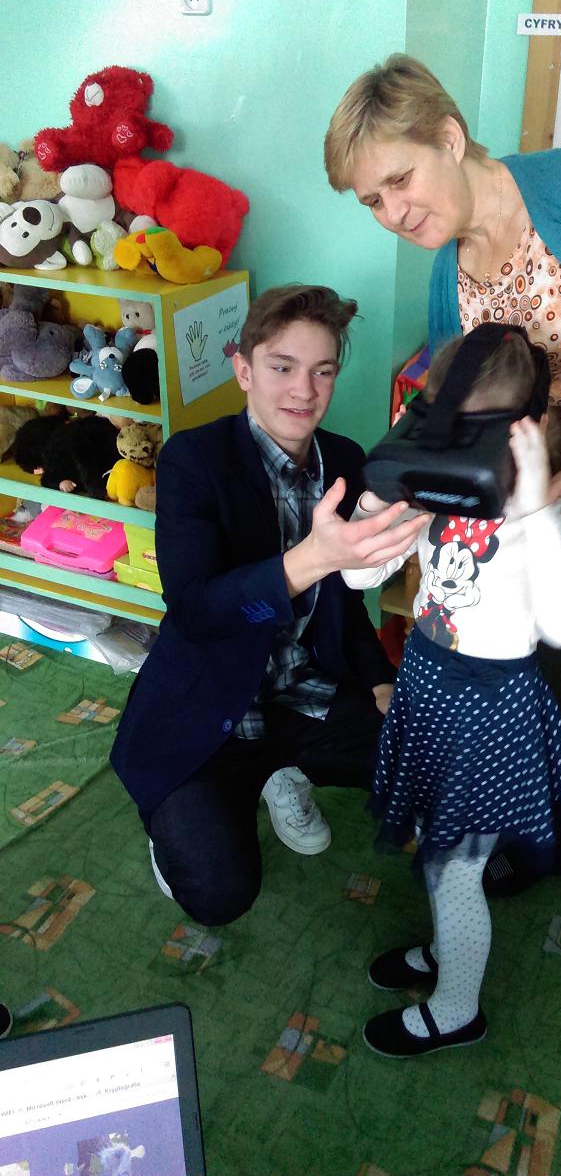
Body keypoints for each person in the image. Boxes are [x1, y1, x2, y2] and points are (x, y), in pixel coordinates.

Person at [325, 53, 561, 987]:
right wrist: (402, 500)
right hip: (547, 473)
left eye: (400, 180)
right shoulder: (448, 272)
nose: (392, 213)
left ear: (449, 137)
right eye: (370, 200)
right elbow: (459, 403)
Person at [110, 284, 427, 926]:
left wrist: (379, 679)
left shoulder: (345, 460)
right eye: (283, 367)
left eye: (322, 371)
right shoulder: (192, 459)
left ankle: (285, 770)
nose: (304, 391)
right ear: (244, 370)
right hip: (211, 707)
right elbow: (198, 611)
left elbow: (343, 602)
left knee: (426, 765)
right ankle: (185, 821)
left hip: (305, 691)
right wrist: (312, 557)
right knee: (217, 895)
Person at [341, 328, 561, 1057]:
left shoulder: (536, 518)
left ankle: (457, 1010)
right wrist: (381, 496)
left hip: (489, 714)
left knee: (455, 871)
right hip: (428, 690)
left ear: (527, 436)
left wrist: (532, 507)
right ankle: (447, 951)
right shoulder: (432, 491)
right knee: (440, 853)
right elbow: (358, 576)